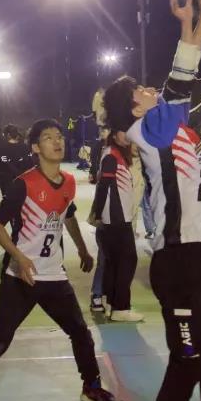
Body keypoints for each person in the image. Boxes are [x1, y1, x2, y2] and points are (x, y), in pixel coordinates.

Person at [103, 0, 201, 401]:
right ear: (135, 109)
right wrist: (189, 23)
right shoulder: (150, 130)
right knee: (187, 360)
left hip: (195, 254)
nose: (150, 89)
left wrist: (199, 19)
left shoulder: (165, 125)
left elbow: (185, 74)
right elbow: (181, 74)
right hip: (177, 261)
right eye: (142, 89)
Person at [0, 119, 123, 401]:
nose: (57, 141)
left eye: (59, 136)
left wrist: (82, 249)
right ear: (35, 147)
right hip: (21, 277)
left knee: (81, 333)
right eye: (48, 137)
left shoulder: (68, 182)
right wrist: (19, 257)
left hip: (54, 276)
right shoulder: (24, 184)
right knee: (0, 339)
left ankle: (91, 388)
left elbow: (67, 215)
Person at [88, 130, 143, 322]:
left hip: (117, 218)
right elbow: (103, 185)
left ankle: (110, 301)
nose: (128, 136)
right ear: (114, 135)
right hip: (116, 219)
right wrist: (98, 215)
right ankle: (121, 307)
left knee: (114, 263)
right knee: (128, 261)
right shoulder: (112, 155)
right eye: (123, 132)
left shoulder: (117, 154)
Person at [0, 124, 34, 189]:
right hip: (25, 182)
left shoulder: (1, 149)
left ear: (8, 135)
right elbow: (31, 164)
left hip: (7, 184)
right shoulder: (25, 147)